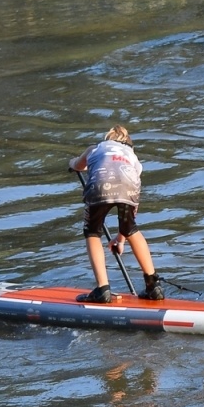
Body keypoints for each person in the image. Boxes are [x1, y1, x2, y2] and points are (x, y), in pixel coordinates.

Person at [69, 126, 163, 304]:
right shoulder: (133, 158)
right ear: (129, 144)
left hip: (100, 185)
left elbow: (78, 165)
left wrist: (72, 164)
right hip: (129, 185)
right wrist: (121, 238)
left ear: (108, 139)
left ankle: (102, 289)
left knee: (92, 231)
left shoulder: (96, 148)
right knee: (132, 229)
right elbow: (133, 205)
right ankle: (153, 285)